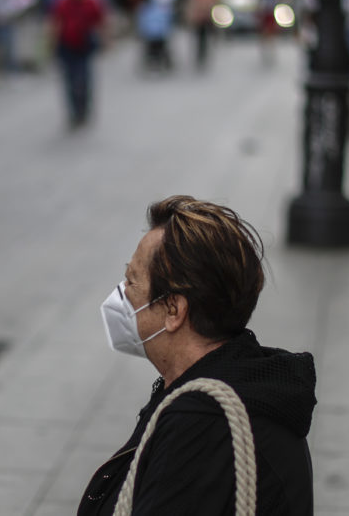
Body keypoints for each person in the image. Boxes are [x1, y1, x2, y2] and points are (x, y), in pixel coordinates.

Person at [80, 195, 316, 516]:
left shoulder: (200, 426)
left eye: (132, 280)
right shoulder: (237, 379)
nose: (121, 292)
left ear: (174, 310)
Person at [51, 0, 105, 129]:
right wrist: (52, 43)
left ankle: (83, 109)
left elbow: (101, 21)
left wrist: (106, 41)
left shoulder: (92, 1)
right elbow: (55, 22)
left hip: (84, 44)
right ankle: (73, 112)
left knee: (82, 79)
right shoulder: (63, 1)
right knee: (69, 80)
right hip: (66, 44)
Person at [184, 0, 219, 70]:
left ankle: (203, 56)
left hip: (207, 17)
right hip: (198, 18)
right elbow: (190, 4)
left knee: (205, 38)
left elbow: (213, 3)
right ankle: (199, 56)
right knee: (199, 38)